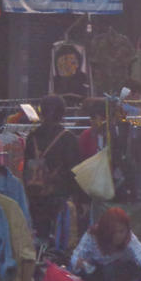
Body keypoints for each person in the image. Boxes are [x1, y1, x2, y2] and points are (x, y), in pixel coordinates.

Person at [70, 207, 141, 281]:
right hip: (94, 269)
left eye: (122, 231)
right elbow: (75, 257)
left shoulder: (129, 238)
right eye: (114, 232)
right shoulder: (92, 236)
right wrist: (80, 263)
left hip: (118, 270)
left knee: (110, 270)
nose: (119, 235)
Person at [23, 95, 82, 241]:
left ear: (41, 112)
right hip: (59, 194)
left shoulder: (32, 137)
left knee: (39, 234)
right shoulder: (69, 138)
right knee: (61, 238)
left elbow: (26, 165)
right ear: (63, 114)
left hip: (35, 194)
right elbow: (75, 171)